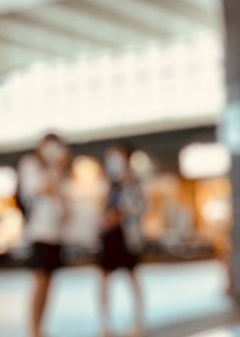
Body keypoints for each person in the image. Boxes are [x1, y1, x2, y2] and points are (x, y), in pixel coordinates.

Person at [18, 133, 70, 337]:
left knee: (49, 283)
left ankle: (41, 328)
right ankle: (33, 330)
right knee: (39, 281)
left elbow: (61, 201)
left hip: (55, 234)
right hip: (38, 233)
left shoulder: (58, 171)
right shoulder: (30, 164)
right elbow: (41, 189)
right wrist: (55, 167)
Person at [98, 144, 146, 337]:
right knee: (104, 278)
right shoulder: (109, 184)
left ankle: (138, 319)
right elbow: (101, 207)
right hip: (110, 236)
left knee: (132, 276)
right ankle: (105, 322)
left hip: (127, 236)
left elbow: (140, 206)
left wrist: (121, 214)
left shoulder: (134, 182)